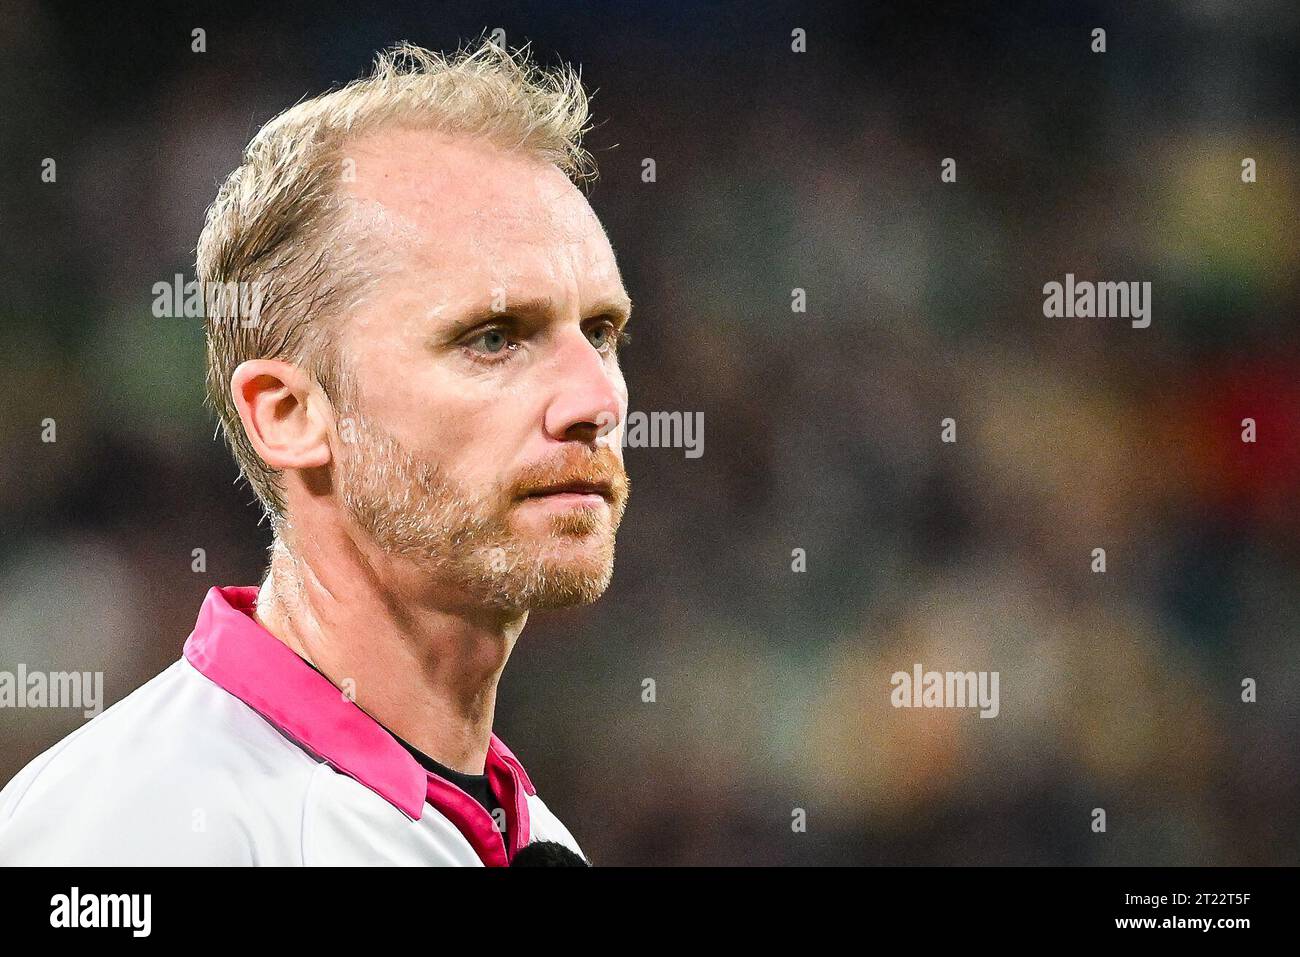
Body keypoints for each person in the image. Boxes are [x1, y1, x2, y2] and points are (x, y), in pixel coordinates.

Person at [0, 38, 632, 866]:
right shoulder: (120, 835)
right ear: (290, 413)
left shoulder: (536, 840)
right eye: (492, 337)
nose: (596, 400)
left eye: (600, 332)